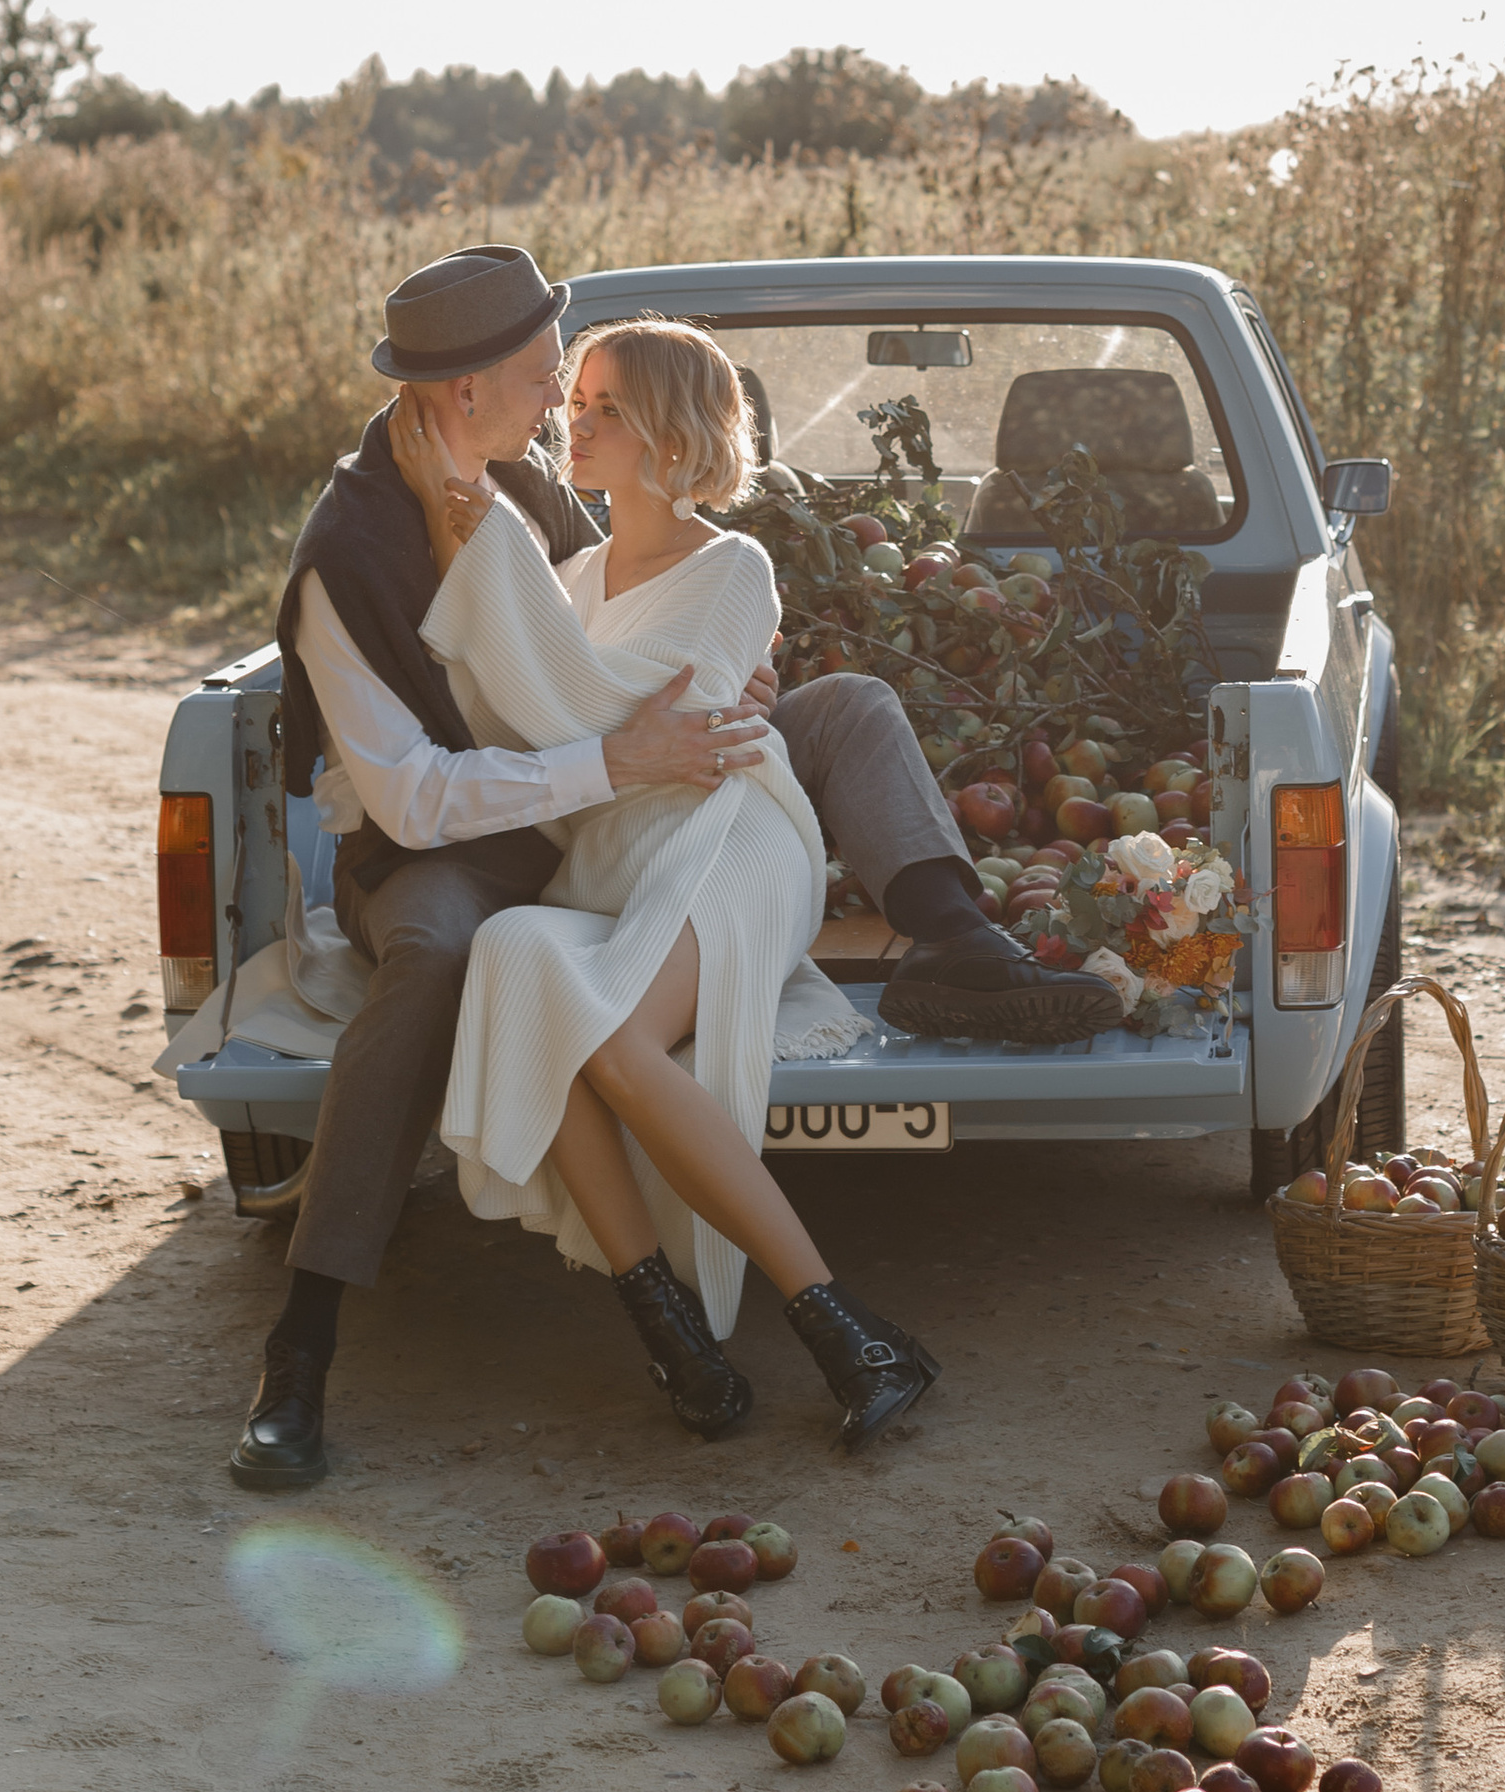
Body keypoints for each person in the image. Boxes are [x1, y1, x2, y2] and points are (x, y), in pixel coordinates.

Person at [236, 245, 1114, 1490]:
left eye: (579, 392)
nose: (559, 406)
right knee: (441, 951)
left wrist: (725, 677)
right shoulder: (348, 556)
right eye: (547, 380)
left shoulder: (526, 477)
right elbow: (423, 791)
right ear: (468, 389)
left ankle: (961, 942)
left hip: (633, 791)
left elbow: (610, 632)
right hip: (461, 829)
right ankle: (303, 1343)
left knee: (848, 704)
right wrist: (623, 748)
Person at [410, 315, 934, 1447]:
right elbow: (511, 717)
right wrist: (488, 564)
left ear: (677, 435)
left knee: (611, 1043)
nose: (577, 425)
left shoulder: (732, 567)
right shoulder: (567, 578)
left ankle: (847, 1328)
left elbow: (594, 705)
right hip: (618, 860)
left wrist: (491, 548)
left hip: (734, 833)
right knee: (516, 959)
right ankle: (670, 1328)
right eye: (575, 403)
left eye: (610, 409)